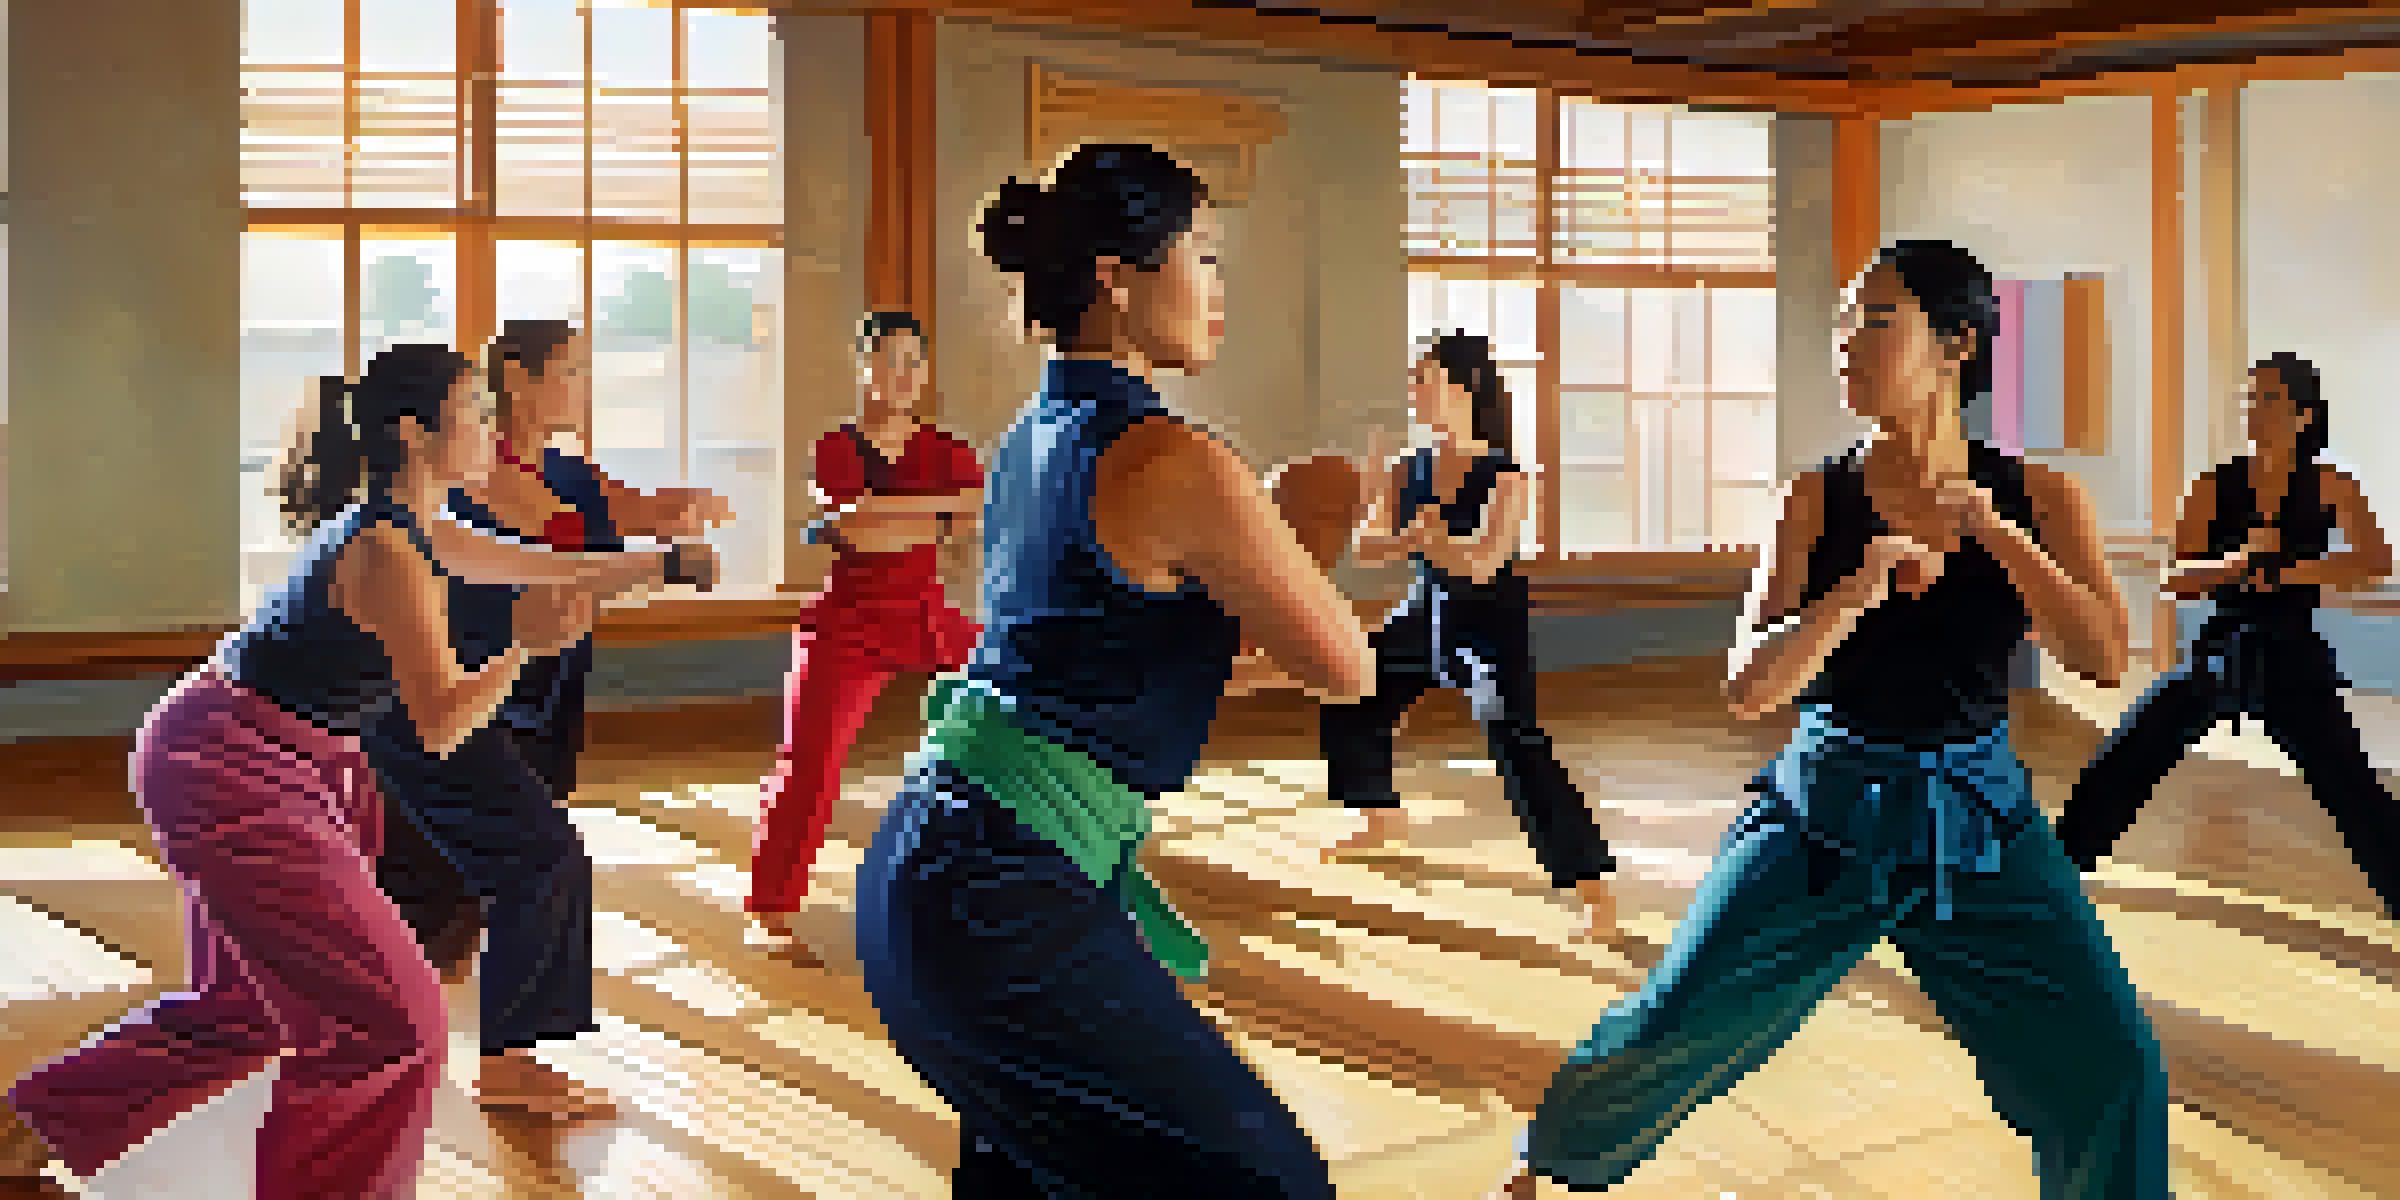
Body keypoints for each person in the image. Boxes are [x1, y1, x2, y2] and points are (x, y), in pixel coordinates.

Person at [1497, 241, 2168, 1198]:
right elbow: (1748, 690)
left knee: (2112, 1064)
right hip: (1822, 817)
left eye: (1874, 321)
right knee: (1668, 1027)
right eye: (1844, 324)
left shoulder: (2042, 498)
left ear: (1957, 344)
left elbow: (2103, 659)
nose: (1845, 343)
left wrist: (1991, 530)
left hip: (1978, 825)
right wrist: (1855, 592)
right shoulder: (1813, 499)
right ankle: (1542, 1166)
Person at [0, 345, 675, 1197]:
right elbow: (438, 726)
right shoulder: (387, 554)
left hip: (269, 761)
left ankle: (28, 1127)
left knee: (253, 1009)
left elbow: (546, 567)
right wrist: (519, 647)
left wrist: (661, 564)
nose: (490, 430)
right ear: (415, 431)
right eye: (473, 412)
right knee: (393, 1025)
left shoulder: (422, 528)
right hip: (230, 772)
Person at [852, 143, 1374, 1198]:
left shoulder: (1030, 441)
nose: (1221, 291)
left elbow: (1122, 670)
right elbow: (1347, 667)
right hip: (996, 898)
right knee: (1271, 1186)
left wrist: (1268, 565)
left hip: (941, 874)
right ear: (1118, 275)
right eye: (1207, 258)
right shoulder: (1174, 460)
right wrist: (1320, 521)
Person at [363, 319, 731, 1123]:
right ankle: (497, 1060)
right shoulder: (432, 511)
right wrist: (538, 639)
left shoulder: (533, 484)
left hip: (521, 697)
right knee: (523, 863)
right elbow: (519, 601)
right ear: (516, 380)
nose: (583, 386)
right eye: (570, 370)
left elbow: (565, 563)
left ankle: (397, 1042)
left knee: (460, 887)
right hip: (462, 707)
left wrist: (672, 543)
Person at [2057, 352, 2399, 915]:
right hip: (2221, 650)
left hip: (2293, 655)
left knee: (2354, 790)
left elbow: (2373, 561)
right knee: (2126, 757)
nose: (2253, 412)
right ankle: (2052, 878)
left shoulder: (2331, 485)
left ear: (2302, 415)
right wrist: (2236, 564)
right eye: (2249, 400)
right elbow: (2176, 582)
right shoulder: (2214, 486)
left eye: (2268, 400)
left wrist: (2286, 570)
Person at [1318, 331, 1620, 940]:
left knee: (1514, 736)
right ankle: (1377, 815)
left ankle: (1591, 886)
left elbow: (1484, 564)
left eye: (1423, 379)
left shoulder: (1506, 476)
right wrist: (1415, 536)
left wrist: (1426, 540)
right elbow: (1365, 547)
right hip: (1425, 603)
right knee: (1351, 678)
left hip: (1487, 622)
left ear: (1464, 388)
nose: (1413, 391)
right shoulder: (1410, 467)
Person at [747, 310, 983, 955]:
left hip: (926, 618)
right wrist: (930, 514)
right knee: (808, 768)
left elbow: (966, 523)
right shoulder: (833, 448)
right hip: (848, 622)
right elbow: (854, 529)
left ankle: (996, 897)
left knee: (1011, 727)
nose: (902, 375)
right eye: (888, 360)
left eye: (914, 362)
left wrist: (880, 516)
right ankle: (769, 910)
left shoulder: (949, 451)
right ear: (863, 368)